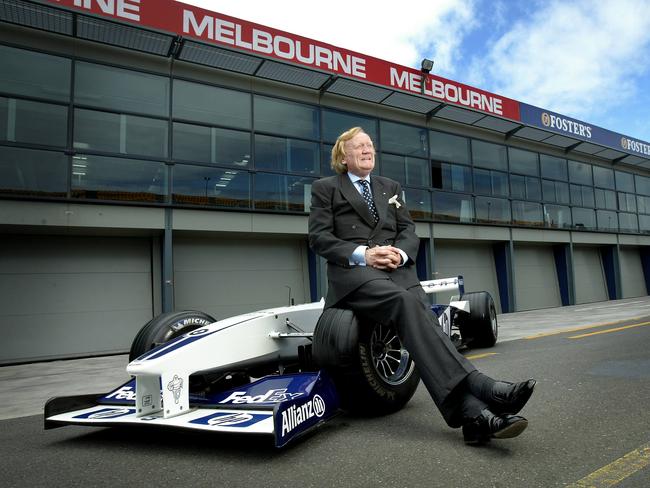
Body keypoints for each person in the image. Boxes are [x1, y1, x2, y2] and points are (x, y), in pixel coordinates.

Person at [308, 126, 535, 444]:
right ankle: (481, 385)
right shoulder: (326, 188)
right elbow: (319, 238)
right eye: (359, 146)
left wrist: (400, 254)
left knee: (423, 319)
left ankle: (474, 417)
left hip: (397, 272)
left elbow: (408, 230)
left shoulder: (390, 186)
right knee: (407, 304)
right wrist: (366, 254)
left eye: (371, 145)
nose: (368, 150)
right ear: (342, 156)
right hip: (355, 274)